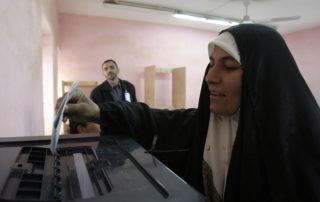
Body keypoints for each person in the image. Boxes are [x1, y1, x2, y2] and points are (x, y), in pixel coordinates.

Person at [57, 24, 320, 202]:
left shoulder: (301, 148)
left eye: (228, 67)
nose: (211, 77)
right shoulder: (205, 124)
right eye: (211, 64)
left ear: (263, 78)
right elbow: (151, 118)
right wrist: (99, 111)